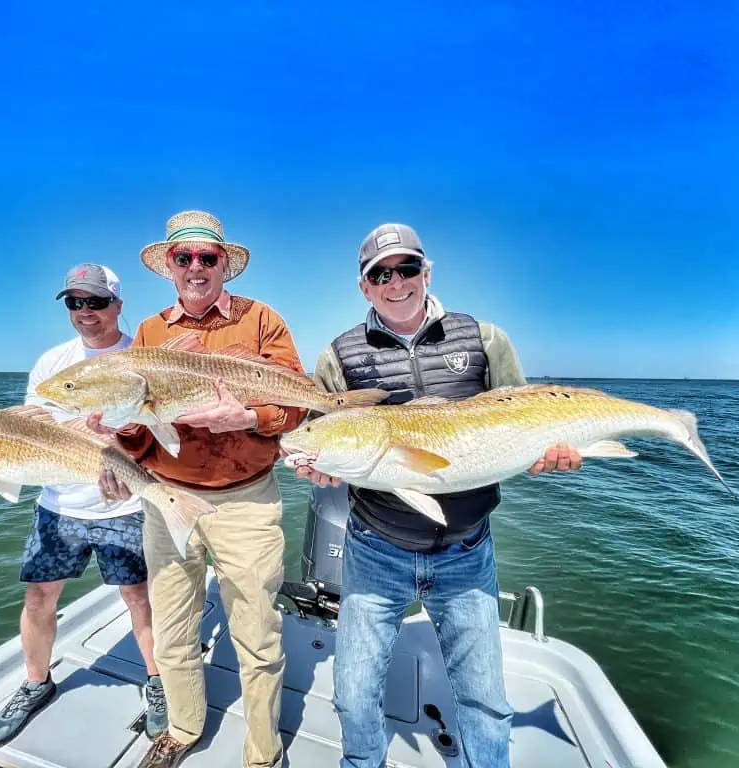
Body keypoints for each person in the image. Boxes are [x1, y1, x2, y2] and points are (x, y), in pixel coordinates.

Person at [300, 223, 582, 768]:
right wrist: (319, 468)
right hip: (374, 548)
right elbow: (323, 433)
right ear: (364, 286)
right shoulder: (338, 357)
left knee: (485, 700)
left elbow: (527, 418)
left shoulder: (484, 339)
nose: (395, 281)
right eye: (380, 273)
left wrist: (549, 454)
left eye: (406, 268)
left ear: (427, 273)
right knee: (355, 695)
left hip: (466, 551)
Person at [89, 210, 306, 768]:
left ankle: (262, 752)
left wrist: (251, 417)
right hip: (167, 501)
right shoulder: (150, 334)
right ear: (168, 266)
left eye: (206, 257)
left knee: (257, 634)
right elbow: (143, 424)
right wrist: (120, 431)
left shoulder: (263, 321)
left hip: (246, 500)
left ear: (223, 265)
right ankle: (183, 728)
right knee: (172, 628)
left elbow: (296, 404)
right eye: (183, 258)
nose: (195, 268)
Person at [0, 264, 167, 746]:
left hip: (125, 504)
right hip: (59, 505)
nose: (85, 312)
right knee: (38, 597)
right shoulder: (52, 363)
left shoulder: (144, 356)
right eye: (75, 303)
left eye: (95, 301)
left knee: (139, 598)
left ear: (118, 304)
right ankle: (35, 682)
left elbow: (164, 430)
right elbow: (24, 435)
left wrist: (132, 469)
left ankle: (158, 682)